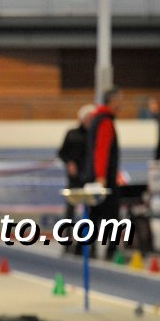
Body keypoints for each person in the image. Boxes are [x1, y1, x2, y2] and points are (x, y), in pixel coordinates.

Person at [85, 87, 124, 259]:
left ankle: (88, 248)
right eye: (120, 100)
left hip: (97, 175)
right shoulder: (105, 121)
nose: (122, 104)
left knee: (94, 213)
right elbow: (102, 150)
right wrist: (101, 177)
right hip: (103, 178)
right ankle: (111, 251)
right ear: (113, 101)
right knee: (111, 215)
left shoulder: (97, 119)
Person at [57, 103, 95, 254]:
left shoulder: (95, 135)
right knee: (70, 211)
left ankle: (85, 244)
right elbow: (61, 153)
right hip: (74, 179)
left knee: (90, 212)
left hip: (89, 179)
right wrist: (69, 163)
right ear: (81, 118)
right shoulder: (71, 133)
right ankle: (67, 242)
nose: (89, 120)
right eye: (88, 118)